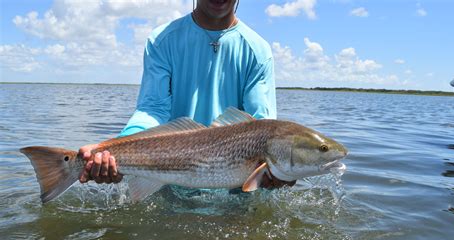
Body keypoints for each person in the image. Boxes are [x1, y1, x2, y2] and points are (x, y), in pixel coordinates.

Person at [78, 0, 295, 189]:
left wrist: (283, 169)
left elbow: (262, 124)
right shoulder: (162, 40)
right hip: (170, 180)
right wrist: (111, 149)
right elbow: (152, 108)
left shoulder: (258, 50)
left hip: (236, 191)